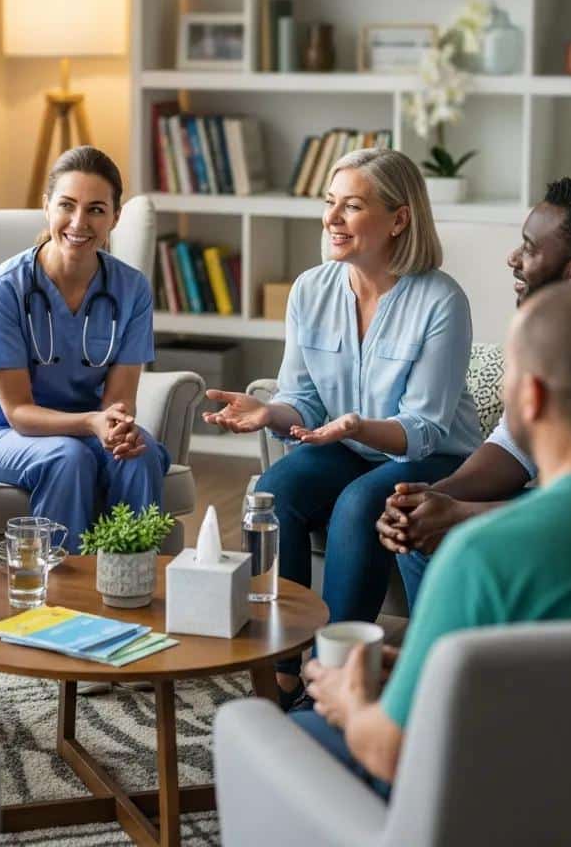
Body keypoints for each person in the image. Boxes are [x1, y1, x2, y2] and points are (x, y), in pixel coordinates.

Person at [297, 281, 571, 794]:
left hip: (499, 804)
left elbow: (391, 751)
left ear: (532, 398)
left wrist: (350, 703)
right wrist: (420, 669)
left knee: (286, 732)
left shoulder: (481, 556)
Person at [203, 148, 481, 707]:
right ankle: (282, 668)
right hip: (349, 444)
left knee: (359, 504)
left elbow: (423, 428)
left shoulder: (441, 300)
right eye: (330, 202)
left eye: (351, 206)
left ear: (398, 219)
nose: (331, 218)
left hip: (433, 457)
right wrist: (271, 413)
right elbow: (302, 398)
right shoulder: (311, 289)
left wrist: (353, 426)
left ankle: (334, 676)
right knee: (274, 491)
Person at [377, 173, 571, 609]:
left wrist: (463, 515)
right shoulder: (557, 330)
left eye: (530, 248)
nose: (513, 258)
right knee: (422, 529)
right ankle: (444, 648)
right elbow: (513, 446)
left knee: (458, 537)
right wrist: (437, 497)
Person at [0, 145, 170, 553]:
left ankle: (134, 580)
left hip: (85, 426)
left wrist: (117, 427)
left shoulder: (132, 289)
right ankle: (59, 588)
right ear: (46, 207)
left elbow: (120, 400)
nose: (79, 222)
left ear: (115, 218)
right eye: (67, 205)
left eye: (96, 210)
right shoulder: (5, 287)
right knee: (67, 458)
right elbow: (19, 412)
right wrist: (92, 423)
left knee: (138, 455)